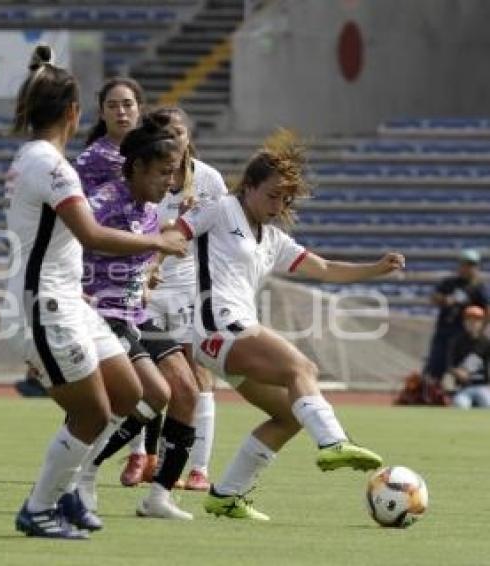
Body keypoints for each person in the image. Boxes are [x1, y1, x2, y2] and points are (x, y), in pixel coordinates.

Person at [163, 129, 402, 520]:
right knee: (302, 368)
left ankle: (226, 495)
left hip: (232, 335)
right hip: (217, 327)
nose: (278, 205)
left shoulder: (272, 239)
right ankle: (333, 442)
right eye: (272, 195)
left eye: (285, 199)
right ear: (250, 186)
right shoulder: (220, 207)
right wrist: (156, 260)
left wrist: (376, 268)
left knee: (289, 415)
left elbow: (323, 268)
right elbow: (176, 232)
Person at [2, 45, 187, 539]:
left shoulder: (40, 159)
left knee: (129, 393)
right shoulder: (54, 167)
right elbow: (92, 235)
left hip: (69, 298)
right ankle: (42, 506)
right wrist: (157, 240)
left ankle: (70, 487)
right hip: (46, 302)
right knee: (92, 411)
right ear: (74, 113)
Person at [77, 112, 199, 520]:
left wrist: (148, 274)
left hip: (136, 312)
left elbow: (141, 251)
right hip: (102, 312)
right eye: (164, 172)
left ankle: (158, 496)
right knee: (155, 394)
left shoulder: (148, 211)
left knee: (186, 391)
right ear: (138, 167)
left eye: (174, 172)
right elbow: (74, 236)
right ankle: (85, 471)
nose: (170, 181)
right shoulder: (104, 201)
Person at [140, 107, 228, 491]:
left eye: (179, 132)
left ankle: (199, 468)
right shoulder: (147, 174)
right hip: (146, 284)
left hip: (192, 286)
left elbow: (222, 232)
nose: (173, 139)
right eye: (166, 132)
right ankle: (147, 458)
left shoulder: (209, 180)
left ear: (189, 136)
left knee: (197, 373)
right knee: (153, 378)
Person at [424, 249, 487, 382]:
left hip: (464, 336)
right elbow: (434, 298)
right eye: (465, 264)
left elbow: (487, 308)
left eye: (472, 265)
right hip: (444, 331)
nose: (468, 268)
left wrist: (480, 330)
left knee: (462, 369)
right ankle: (431, 395)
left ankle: (460, 395)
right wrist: (447, 299)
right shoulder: (449, 283)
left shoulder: (479, 287)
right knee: (435, 366)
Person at [76, 77, 145, 192]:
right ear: (102, 113)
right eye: (112, 106)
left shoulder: (152, 153)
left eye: (127, 105)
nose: (121, 112)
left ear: (139, 110)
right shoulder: (90, 160)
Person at [445, 305, 490, 409]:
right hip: (463, 387)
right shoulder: (456, 342)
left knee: (487, 404)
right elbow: (450, 365)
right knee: (460, 405)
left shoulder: (486, 343)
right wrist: (458, 372)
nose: (473, 323)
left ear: (482, 323)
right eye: (469, 320)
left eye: (476, 320)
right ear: (464, 322)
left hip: (483, 386)